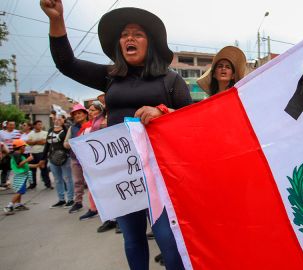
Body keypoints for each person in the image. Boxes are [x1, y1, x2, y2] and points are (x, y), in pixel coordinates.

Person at [41, 1, 192, 269]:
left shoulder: (171, 80)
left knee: (168, 239)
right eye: (124, 35)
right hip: (121, 173)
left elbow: (193, 121)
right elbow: (67, 63)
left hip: (160, 173)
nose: (129, 38)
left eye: (137, 34)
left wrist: (164, 111)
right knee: (133, 239)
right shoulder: (110, 76)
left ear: (150, 43)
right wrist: (57, 19)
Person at [78, 101, 106, 221]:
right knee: (92, 186)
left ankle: (112, 217)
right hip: (92, 161)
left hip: (103, 160)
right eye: (89, 110)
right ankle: (94, 209)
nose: (89, 112)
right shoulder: (90, 126)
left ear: (100, 111)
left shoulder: (104, 123)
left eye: (93, 110)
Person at [41, 116, 74, 208]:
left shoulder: (66, 129)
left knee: (67, 178)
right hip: (52, 157)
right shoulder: (50, 130)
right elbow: (47, 145)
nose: (57, 120)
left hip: (65, 157)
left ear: (64, 120)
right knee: (57, 179)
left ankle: (70, 199)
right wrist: (43, 158)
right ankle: (61, 200)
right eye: (56, 119)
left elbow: (69, 141)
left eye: (60, 119)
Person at [63, 104, 90, 214]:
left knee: (93, 182)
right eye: (75, 114)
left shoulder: (92, 125)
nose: (77, 115)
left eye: (79, 113)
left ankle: (96, 205)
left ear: (85, 114)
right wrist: (72, 144)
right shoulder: (72, 128)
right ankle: (78, 202)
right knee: (78, 182)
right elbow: (65, 143)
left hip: (90, 159)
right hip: (75, 159)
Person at [3, 139, 37, 214]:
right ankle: (9, 206)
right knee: (20, 191)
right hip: (21, 176)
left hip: (21, 175)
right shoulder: (17, 154)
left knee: (20, 190)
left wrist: (37, 165)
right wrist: (28, 159)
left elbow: (24, 165)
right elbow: (19, 165)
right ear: (21, 147)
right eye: (24, 147)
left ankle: (18, 204)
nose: (25, 148)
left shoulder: (17, 154)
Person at [27, 120, 52, 189]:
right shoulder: (30, 134)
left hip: (41, 153)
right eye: (38, 124)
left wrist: (34, 142)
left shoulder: (45, 133)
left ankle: (47, 184)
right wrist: (38, 141)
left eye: (41, 124)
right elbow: (28, 142)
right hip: (32, 153)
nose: (40, 126)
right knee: (32, 170)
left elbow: (44, 142)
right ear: (34, 126)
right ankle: (32, 184)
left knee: (43, 169)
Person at [0, 121, 22, 188]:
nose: (12, 126)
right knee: (5, 168)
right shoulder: (1, 133)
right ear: (7, 125)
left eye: (13, 125)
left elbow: (21, 142)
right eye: (10, 125)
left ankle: (18, 182)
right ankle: (3, 182)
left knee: (16, 167)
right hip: (5, 152)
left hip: (15, 152)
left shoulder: (17, 132)